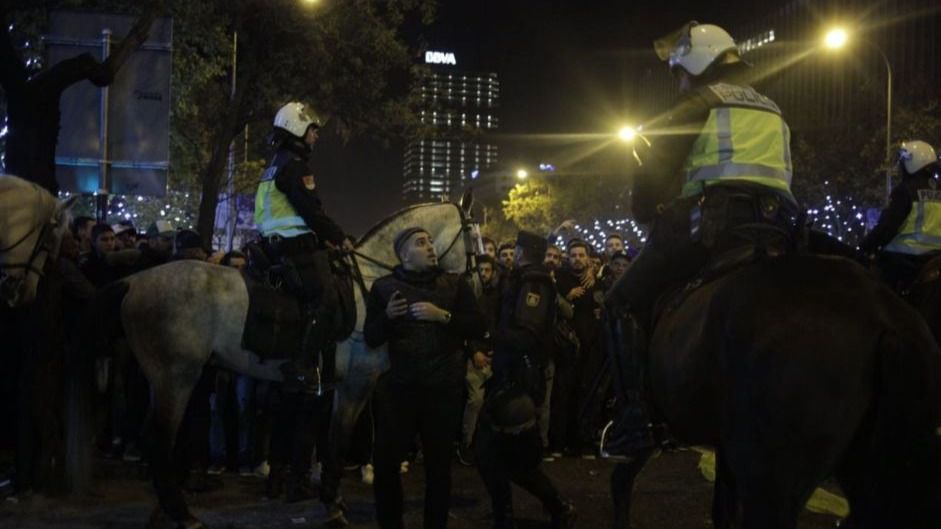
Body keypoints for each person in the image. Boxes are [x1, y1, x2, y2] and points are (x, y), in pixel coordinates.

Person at [604, 21, 799, 456]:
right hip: (777, 229)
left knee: (618, 303)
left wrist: (645, 208)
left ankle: (633, 416)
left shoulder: (700, 101)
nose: (677, 80)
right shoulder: (772, 107)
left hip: (712, 227)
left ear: (695, 62)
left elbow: (655, 169)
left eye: (678, 70)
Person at [364, 227, 484, 529]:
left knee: (439, 469)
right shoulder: (383, 288)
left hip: (442, 391)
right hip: (399, 391)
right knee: (386, 465)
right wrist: (387, 318)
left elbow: (478, 326)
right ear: (404, 254)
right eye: (421, 243)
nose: (431, 247)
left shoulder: (455, 285)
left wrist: (442, 316)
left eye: (431, 241)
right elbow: (371, 337)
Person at [476, 231, 576, 529]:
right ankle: (517, 512)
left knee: (506, 458)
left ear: (523, 251)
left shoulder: (534, 282)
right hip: (511, 376)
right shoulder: (523, 279)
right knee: (498, 456)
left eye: (517, 249)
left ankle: (554, 507)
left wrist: (489, 335)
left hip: (521, 378)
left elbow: (527, 333)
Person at [253, 101, 352, 393]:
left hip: (273, 245)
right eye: (312, 130)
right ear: (296, 128)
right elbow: (311, 212)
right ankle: (302, 364)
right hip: (293, 246)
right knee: (327, 298)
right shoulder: (295, 167)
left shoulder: (273, 165)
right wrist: (339, 237)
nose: (316, 137)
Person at [859, 140, 941, 291]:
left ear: (913, 162)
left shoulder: (905, 191)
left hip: (904, 261)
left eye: (903, 164)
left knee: (868, 288)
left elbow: (886, 228)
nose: (901, 169)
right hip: (936, 259)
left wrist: (864, 246)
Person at [458, 255, 500, 466]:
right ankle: (467, 443)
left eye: (487, 270)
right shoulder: (468, 297)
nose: (483, 274)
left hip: (494, 355)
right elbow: (466, 328)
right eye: (480, 270)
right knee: (475, 401)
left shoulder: (498, 296)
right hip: (475, 356)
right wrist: (475, 351)